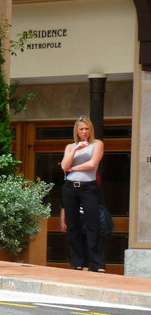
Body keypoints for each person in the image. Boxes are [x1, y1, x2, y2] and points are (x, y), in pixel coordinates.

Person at [60, 115, 106, 272]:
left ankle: (98, 264)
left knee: (93, 224)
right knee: (73, 225)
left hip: (88, 187)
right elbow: (64, 166)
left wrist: (74, 168)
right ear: (77, 131)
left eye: (87, 128)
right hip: (70, 187)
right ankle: (77, 262)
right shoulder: (70, 146)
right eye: (81, 129)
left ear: (91, 129)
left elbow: (92, 164)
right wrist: (75, 150)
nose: (84, 131)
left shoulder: (97, 144)